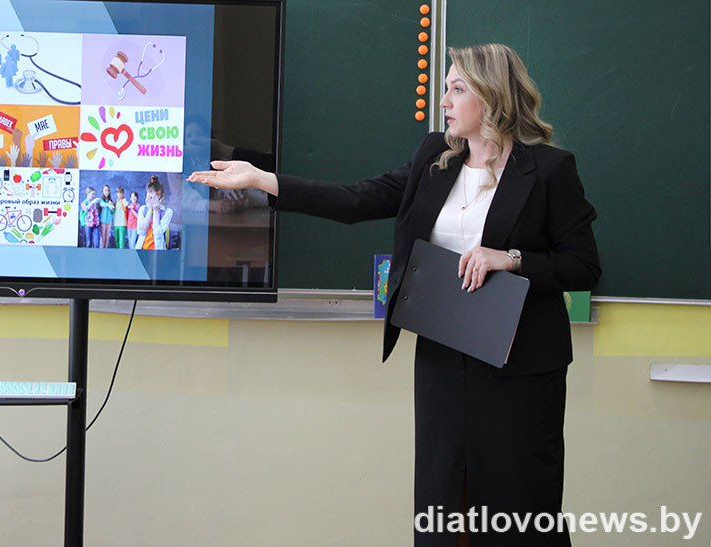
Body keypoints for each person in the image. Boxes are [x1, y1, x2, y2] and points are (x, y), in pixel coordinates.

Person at [189, 43, 601, 546]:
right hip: (443, 355)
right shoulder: (435, 158)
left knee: (519, 502)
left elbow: (583, 265)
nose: (443, 101)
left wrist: (510, 258)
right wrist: (265, 182)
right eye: (444, 89)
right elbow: (357, 200)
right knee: (443, 501)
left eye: (456, 89)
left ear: (492, 95)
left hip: (520, 366)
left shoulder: (550, 169)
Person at [135, 175, 174, 250]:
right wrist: (150, 209)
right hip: (141, 249)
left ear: (162, 197)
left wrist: (156, 211)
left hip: (157, 251)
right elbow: (141, 231)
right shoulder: (142, 209)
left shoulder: (168, 212)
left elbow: (158, 234)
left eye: (155, 197)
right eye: (150, 197)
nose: (152, 200)